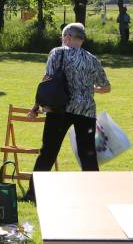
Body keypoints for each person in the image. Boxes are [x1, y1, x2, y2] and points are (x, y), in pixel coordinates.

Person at [24, 23, 110, 202]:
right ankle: (95, 194)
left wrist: (35, 107)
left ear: (68, 37)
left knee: (48, 152)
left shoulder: (57, 53)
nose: (62, 40)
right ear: (82, 39)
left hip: (59, 109)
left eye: (63, 37)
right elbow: (106, 87)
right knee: (88, 154)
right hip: (86, 110)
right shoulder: (92, 58)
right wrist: (89, 88)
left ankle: (33, 194)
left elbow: (47, 81)